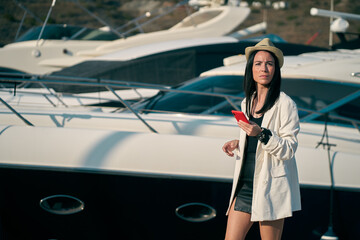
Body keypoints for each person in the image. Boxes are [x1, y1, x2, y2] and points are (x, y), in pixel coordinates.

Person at [222, 38, 301, 240]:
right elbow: (254, 142)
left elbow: (289, 148)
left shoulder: (286, 104)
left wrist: (262, 134)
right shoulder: (246, 102)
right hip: (245, 186)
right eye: (258, 63)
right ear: (251, 69)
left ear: (275, 70)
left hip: (270, 188)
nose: (264, 68)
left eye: (269, 63)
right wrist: (239, 143)